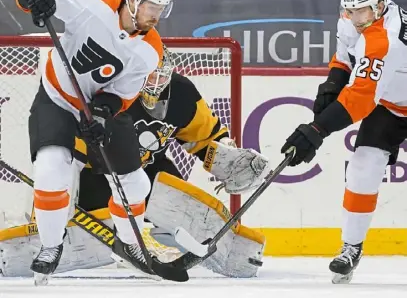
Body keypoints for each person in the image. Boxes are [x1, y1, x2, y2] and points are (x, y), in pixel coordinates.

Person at [0, 45, 269, 279]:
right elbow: (69, 164)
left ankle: (187, 242)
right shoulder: (108, 95)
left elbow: (205, 138)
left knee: (171, 188)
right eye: (146, 74)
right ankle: (77, 238)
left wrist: (229, 160)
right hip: (99, 174)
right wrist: (46, 220)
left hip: (147, 169)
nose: (153, 81)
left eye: (159, 74)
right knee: (82, 208)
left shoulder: (182, 93)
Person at [14, 0, 172, 283]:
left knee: (135, 183)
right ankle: (50, 246)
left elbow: (123, 94)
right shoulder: (97, 1)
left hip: (96, 108)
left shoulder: (150, 50)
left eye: (160, 9)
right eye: (151, 7)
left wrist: (102, 112)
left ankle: (130, 244)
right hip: (57, 97)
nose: (155, 15)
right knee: (50, 169)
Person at [280, 0, 407, 284]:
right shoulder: (353, 18)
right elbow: (345, 56)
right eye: (349, 11)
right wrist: (332, 83)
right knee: (363, 167)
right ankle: (351, 246)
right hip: (392, 104)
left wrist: (316, 130)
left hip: (383, 97)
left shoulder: (384, 39)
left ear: (379, 7)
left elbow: (360, 100)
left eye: (360, 12)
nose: (354, 19)